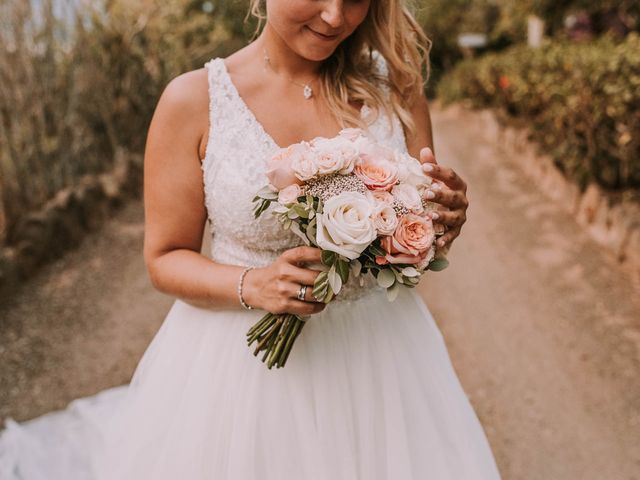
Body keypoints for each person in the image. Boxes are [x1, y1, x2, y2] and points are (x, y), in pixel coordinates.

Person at [0, 0, 502, 478]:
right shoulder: (194, 101)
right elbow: (164, 258)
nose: (336, 16)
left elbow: (416, 238)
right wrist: (253, 284)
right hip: (241, 374)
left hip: (384, 362)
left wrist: (441, 223)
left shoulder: (396, 90)